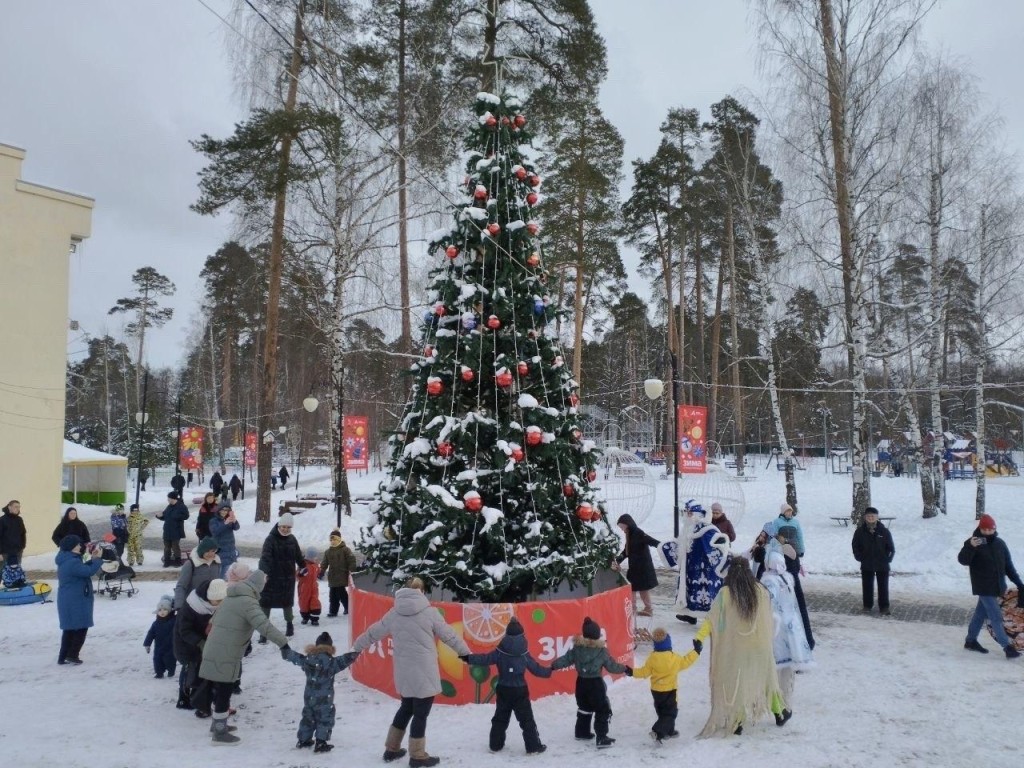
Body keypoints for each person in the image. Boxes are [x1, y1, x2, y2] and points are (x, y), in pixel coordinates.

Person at [351, 576, 470, 767]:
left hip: (404, 670)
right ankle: (417, 755)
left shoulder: (394, 612)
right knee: (420, 713)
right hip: (425, 670)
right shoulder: (429, 613)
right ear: (422, 592)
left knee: (406, 707)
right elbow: (449, 635)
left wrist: (357, 646)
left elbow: (374, 632)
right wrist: (465, 653)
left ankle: (391, 748)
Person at [693, 557, 786, 737]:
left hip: (737, 649)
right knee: (767, 678)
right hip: (761, 647)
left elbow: (711, 619)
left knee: (738, 683)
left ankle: (738, 722)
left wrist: (699, 638)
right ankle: (780, 712)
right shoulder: (761, 590)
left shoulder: (725, 593)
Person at [200, 569, 290, 744]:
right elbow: (264, 625)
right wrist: (283, 642)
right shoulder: (248, 602)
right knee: (224, 692)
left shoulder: (231, 598)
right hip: (226, 652)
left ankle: (218, 725)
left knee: (220, 690)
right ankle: (219, 734)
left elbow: (213, 621)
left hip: (215, 648)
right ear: (258, 586)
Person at [464, 616, 552, 755]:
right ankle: (533, 747)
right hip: (520, 690)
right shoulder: (524, 653)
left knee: (500, 718)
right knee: (526, 720)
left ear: (507, 634)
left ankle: (495, 745)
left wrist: (468, 658)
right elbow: (536, 669)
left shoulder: (500, 651)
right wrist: (549, 671)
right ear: (522, 635)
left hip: (503, 689)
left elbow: (485, 659)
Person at [550, 616, 630, 749]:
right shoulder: (601, 651)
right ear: (597, 635)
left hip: (581, 683)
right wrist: (626, 669)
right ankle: (601, 737)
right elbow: (612, 666)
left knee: (584, 707)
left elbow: (565, 660)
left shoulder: (577, 649)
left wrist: (553, 666)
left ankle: (582, 732)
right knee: (602, 708)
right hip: (595, 684)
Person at [282, 630, 359, 753]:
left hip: (309, 697)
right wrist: (356, 652)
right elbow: (345, 659)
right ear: (330, 647)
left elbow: (295, 657)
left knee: (308, 717)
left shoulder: (308, 660)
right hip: (324, 699)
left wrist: (286, 652)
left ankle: (303, 740)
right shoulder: (331, 663)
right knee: (325, 718)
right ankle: (321, 742)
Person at [959, 514, 1024, 658]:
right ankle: (1007, 647)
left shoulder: (1000, 544)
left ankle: (970, 641)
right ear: (980, 529)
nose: (988, 532)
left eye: (991, 529)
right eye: (985, 529)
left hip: (997, 587)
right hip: (983, 587)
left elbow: (1008, 566)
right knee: (996, 616)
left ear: (995, 529)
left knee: (979, 615)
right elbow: (963, 560)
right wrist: (971, 547)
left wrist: (1019, 583)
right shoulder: (972, 543)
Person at [760, 551, 811, 722]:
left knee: (773, 671)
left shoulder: (768, 581)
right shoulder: (787, 579)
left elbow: (767, 603)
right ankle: (785, 705)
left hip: (776, 630)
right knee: (787, 672)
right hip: (792, 631)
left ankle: (777, 707)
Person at [627, 627, 701, 743]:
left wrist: (632, 672)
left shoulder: (652, 658)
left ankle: (669, 731)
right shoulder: (674, 658)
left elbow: (644, 672)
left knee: (662, 712)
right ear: (668, 643)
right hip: (670, 690)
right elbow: (686, 661)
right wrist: (696, 651)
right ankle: (657, 732)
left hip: (656, 691)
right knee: (671, 713)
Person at [174, 578, 227, 712]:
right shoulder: (192, 606)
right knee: (188, 669)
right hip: (186, 644)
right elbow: (184, 630)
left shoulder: (216, 606)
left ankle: (198, 696)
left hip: (204, 644)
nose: (220, 604)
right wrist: (200, 642)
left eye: (223, 600)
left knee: (201, 671)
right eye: (218, 601)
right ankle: (183, 697)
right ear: (209, 597)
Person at [675, 501, 731, 623]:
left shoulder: (706, 529)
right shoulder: (690, 528)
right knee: (692, 592)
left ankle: (713, 620)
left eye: (689, 513)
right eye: (686, 512)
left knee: (707, 595)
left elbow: (716, 548)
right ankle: (691, 615)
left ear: (697, 514)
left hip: (706, 571)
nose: (687, 516)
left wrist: (721, 564)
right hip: (692, 568)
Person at [55, 535, 103, 665]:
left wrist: (92, 558)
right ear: (71, 547)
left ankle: (63, 656)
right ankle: (72, 654)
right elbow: (87, 571)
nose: (80, 546)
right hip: (76, 599)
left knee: (69, 628)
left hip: (70, 598)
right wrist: (97, 559)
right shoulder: (72, 562)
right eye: (77, 544)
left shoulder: (67, 559)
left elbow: (82, 567)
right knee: (81, 627)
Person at [257, 512, 305, 640]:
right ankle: (263, 632)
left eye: (288, 527)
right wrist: (263, 572)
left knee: (287, 603)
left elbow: (298, 555)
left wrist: (303, 566)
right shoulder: (270, 539)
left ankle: (289, 625)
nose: (285, 529)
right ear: (279, 525)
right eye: (283, 526)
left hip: (287, 577)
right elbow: (265, 557)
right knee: (266, 603)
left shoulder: (292, 539)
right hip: (272, 577)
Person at [852, 506, 896, 615]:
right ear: (865, 517)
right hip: (867, 563)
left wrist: (888, 559)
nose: (871, 518)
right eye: (868, 516)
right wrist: (859, 557)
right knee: (867, 585)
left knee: (883, 586)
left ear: (877, 517)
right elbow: (855, 546)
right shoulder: (860, 532)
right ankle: (867, 605)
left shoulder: (884, 531)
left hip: (882, 564)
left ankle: (884, 606)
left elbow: (891, 548)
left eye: (873, 516)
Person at [613, 513, 658, 616]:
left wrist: (661, 546)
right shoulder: (630, 534)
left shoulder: (638, 533)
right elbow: (626, 551)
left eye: (622, 526)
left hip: (642, 566)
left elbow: (650, 540)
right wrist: (617, 560)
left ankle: (635, 609)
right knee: (637, 588)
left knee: (635, 588)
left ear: (627, 524)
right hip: (635, 567)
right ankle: (645, 608)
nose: (621, 529)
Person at [777, 524, 814, 650]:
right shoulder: (785, 548)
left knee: (795, 614)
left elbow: (791, 568)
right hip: (790, 584)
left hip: (789, 586)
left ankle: (802, 644)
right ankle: (805, 641)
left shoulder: (787, 549)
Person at [173, 537, 221, 610]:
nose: (210, 554)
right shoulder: (191, 564)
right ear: (202, 551)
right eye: (207, 551)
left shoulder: (216, 563)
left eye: (213, 551)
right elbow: (181, 586)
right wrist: (179, 607)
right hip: (192, 605)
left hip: (211, 606)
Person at [321, 529, 358, 617]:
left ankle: (348, 607)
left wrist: (351, 570)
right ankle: (333, 611)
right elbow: (324, 563)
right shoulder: (328, 552)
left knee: (342, 593)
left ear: (339, 540)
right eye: (331, 540)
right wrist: (322, 571)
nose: (333, 542)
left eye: (335, 540)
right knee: (332, 595)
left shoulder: (345, 550)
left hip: (342, 575)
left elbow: (351, 560)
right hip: (332, 576)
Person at [144, 595, 178, 679]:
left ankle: (171, 671)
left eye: (165, 609)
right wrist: (147, 644)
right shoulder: (156, 623)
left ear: (170, 610)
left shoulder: (174, 621)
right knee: (157, 660)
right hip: (159, 647)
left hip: (171, 647)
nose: (162, 612)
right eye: (160, 610)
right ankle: (159, 673)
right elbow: (150, 633)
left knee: (170, 660)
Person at [156, 491, 190, 567]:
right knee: (167, 547)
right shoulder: (169, 506)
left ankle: (178, 561)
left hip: (176, 530)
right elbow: (164, 517)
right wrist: (159, 516)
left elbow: (186, 516)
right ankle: (167, 561)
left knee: (175, 547)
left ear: (174, 498)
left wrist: (176, 516)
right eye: (168, 499)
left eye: (169, 498)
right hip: (167, 530)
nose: (168, 500)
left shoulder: (181, 506)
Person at [209, 503, 240, 578]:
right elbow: (215, 532)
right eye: (222, 510)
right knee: (220, 573)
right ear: (219, 510)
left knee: (228, 573)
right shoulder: (213, 520)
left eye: (226, 510)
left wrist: (235, 521)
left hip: (230, 549)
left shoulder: (229, 519)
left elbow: (236, 527)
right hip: (220, 550)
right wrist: (225, 523)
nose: (224, 512)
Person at [298, 547, 322, 626]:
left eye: (314, 556)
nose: (313, 558)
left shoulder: (315, 565)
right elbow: (297, 574)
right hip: (304, 587)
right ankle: (305, 617)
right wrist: (301, 574)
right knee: (304, 603)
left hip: (314, 587)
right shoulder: (303, 564)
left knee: (315, 602)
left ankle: (315, 619)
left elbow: (318, 571)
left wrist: (320, 574)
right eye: (312, 556)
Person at [0, 500, 27, 567]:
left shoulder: (19, 520)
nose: (18, 509)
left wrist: (22, 546)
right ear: (9, 507)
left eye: (19, 507)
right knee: (3, 574)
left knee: (16, 573)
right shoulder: (2, 520)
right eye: (15, 507)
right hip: (5, 553)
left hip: (17, 552)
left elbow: (23, 533)